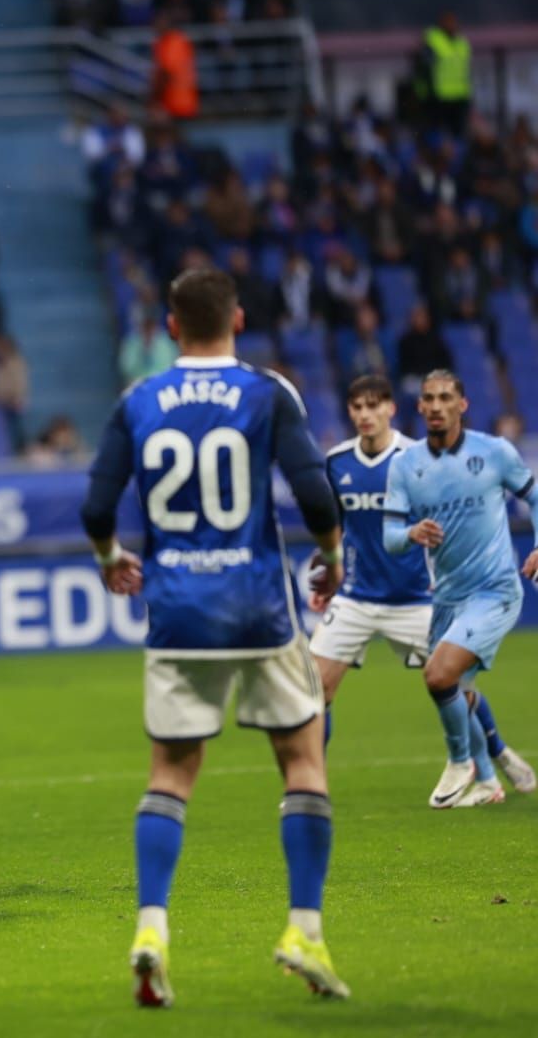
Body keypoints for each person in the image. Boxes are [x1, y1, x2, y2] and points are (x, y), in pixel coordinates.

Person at [81, 267, 350, 1007]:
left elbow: (97, 503)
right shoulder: (266, 392)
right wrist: (330, 554)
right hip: (259, 607)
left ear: (169, 326)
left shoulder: (138, 399)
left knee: (169, 776)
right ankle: (303, 928)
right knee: (301, 760)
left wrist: (109, 560)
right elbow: (313, 490)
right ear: (235, 318)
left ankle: (151, 929)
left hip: (178, 612)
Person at [308, 376, 534, 793]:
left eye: (373, 406)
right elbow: (340, 527)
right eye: (357, 407)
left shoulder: (417, 459)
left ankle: (496, 754)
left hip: (416, 598)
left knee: (453, 687)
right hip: (357, 597)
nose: (364, 415)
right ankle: (310, 786)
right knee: (311, 689)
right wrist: (329, 568)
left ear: (391, 409)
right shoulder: (337, 461)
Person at [382, 370, 538, 808]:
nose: (435, 405)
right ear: (419, 407)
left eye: (445, 397)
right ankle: (493, 770)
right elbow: (389, 538)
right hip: (448, 597)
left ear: (462, 405)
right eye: (428, 398)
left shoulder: (494, 452)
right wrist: (411, 533)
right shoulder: (406, 466)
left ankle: (460, 761)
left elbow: (535, 496)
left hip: (496, 589)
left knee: (438, 675)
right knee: (459, 691)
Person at [422, 11, 472, 137]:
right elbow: (424, 69)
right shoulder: (433, 41)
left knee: (459, 134)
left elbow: (465, 70)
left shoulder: (462, 42)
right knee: (440, 134)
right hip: (440, 97)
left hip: (460, 96)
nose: (452, 25)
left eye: (453, 22)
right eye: (448, 22)